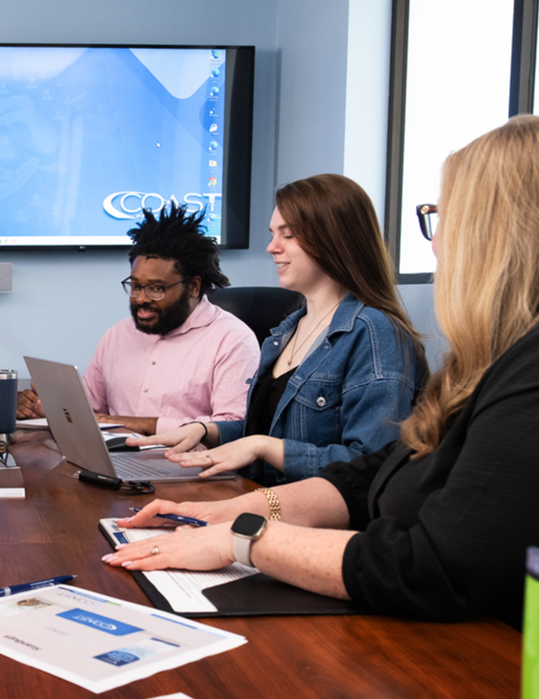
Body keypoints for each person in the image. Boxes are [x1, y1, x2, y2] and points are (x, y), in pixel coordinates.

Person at [106, 115, 539, 629]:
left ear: (494, 233)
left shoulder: (519, 373)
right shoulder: (480, 365)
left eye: (444, 216)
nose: (436, 241)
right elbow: (374, 473)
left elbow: (436, 567)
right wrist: (236, 513)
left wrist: (246, 538)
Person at [131, 175, 426, 484]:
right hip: (259, 504)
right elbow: (267, 431)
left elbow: (371, 466)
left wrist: (263, 447)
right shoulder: (287, 330)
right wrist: (206, 430)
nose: (272, 247)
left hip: (313, 523)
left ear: (334, 238)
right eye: (273, 234)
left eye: (287, 235)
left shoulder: (375, 333)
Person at [16, 204, 259, 436]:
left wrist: (123, 423)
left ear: (193, 286)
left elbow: (232, 427)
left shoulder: (232, 339)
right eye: (135, 286)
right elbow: (89, 408)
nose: (141, 299)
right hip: (117, 464)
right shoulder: (118, 335)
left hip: (191, 471)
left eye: (156, 288)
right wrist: (43, 407)